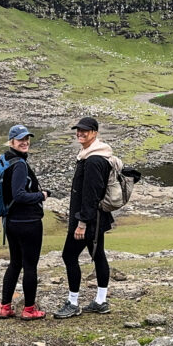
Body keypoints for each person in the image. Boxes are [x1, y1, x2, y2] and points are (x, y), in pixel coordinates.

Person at [54, 116, 114, 319]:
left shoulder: (93, 160)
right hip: (96, 219)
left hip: (88, 220)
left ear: (95, 133)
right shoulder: (93, 155)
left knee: (69, 256)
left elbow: (90, 195)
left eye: (85, 131)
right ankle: (100, 301)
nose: (80, 133)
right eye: (78, 130)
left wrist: (81, 223)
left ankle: (73, 303)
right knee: (98, 255)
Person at [0, 124, 50, 320]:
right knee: (29, 266)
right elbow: (19, 195)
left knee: (15, 263)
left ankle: (5, 306)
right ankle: (29, 309)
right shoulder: (19, 164)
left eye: (27, 138)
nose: (25, 142)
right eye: (20, 139)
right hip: (28, 222)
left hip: (11, 221)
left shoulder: (6, 160)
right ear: (12, 141)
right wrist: (41, 195)